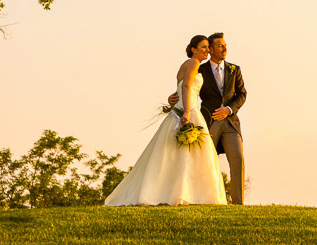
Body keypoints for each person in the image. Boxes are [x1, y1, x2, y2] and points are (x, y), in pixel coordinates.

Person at [104, 35, 226, 206]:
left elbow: (179, 89)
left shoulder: (184, 65)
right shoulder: (193, 63)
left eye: (208, 47)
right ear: (194, 49)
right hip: (189, 111)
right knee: (191, 154)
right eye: (204, 47)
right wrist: (186, 112)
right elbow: (185, 87)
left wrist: (173, 101)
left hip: (181, 109)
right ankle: (192, 194)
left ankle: (180, 192)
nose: (207, 50)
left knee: (177, 155)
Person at [169, 31, 247, 204]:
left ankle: (238, 203)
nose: (224, 48)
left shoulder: (235, 69)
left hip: (231, 123)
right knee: (204, 160)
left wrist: (228, 109)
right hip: (208, 121)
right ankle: (201, 197)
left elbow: (242, 94)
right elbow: (186, 87)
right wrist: (172, 98)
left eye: (225, 45)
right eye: (220, 45)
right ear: (211, 49)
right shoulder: (200, 68)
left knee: (238, 157)